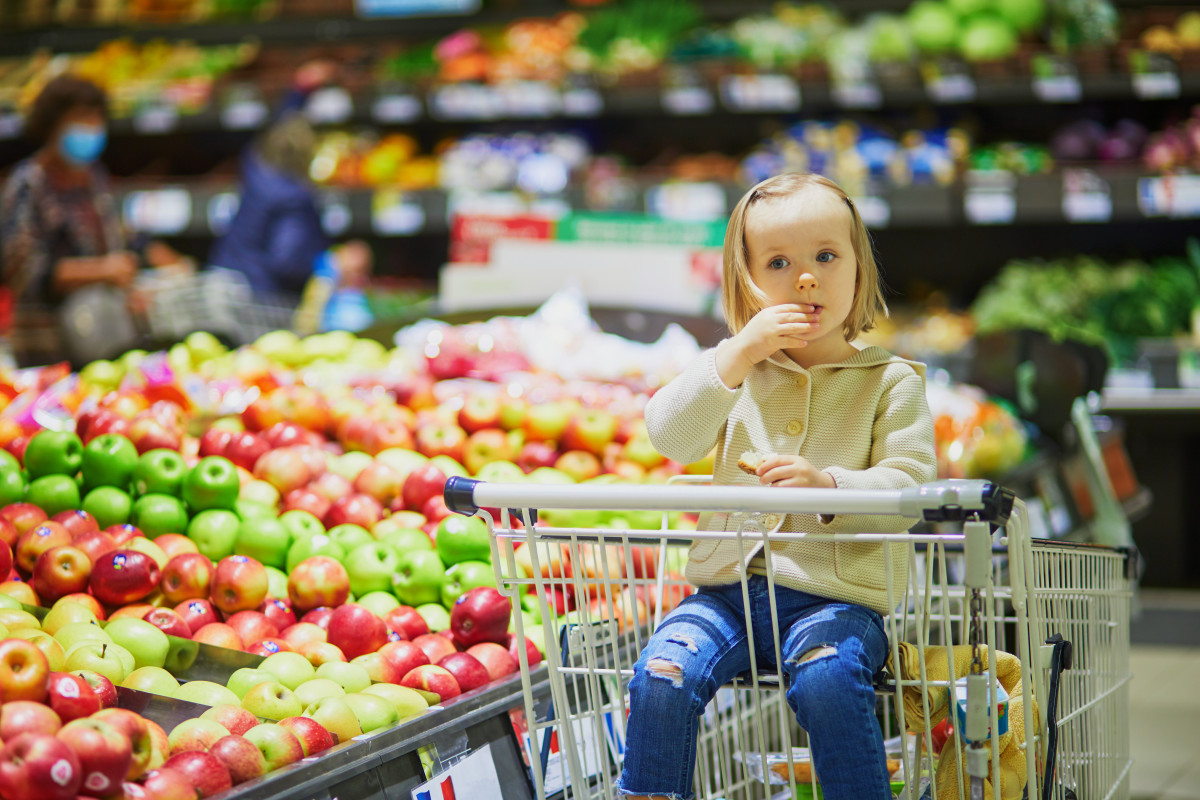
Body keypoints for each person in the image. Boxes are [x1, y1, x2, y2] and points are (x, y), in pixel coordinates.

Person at [619, 172, 938, 800]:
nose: (806, 278)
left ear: (858, 268)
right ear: (746, 282)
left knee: (827, 682)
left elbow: (910, 486)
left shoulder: (893, 382)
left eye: (825, 256)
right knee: (662, 673)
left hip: (838, 597)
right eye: (778, 262)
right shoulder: (739, 370)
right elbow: (669, 437)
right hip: (727, 591)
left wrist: (828, 486)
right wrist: (736, 353)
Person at [0, 74, 188, 366]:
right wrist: (100, 271)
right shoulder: (28, 185)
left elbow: (118, 237)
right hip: (48, 348)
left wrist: (155, 267)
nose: (90, 128)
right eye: (80, 119)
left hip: (102, 336)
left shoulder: (92, 179)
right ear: (53, 125)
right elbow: (23, 270)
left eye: (96, 119)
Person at [209, 62, 371, 306]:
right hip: (259, 299)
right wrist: (332, 263)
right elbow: (288, 262)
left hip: (228, 285)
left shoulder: (254, 167)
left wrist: (300, 90)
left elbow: (280, 127)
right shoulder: (294, 199)